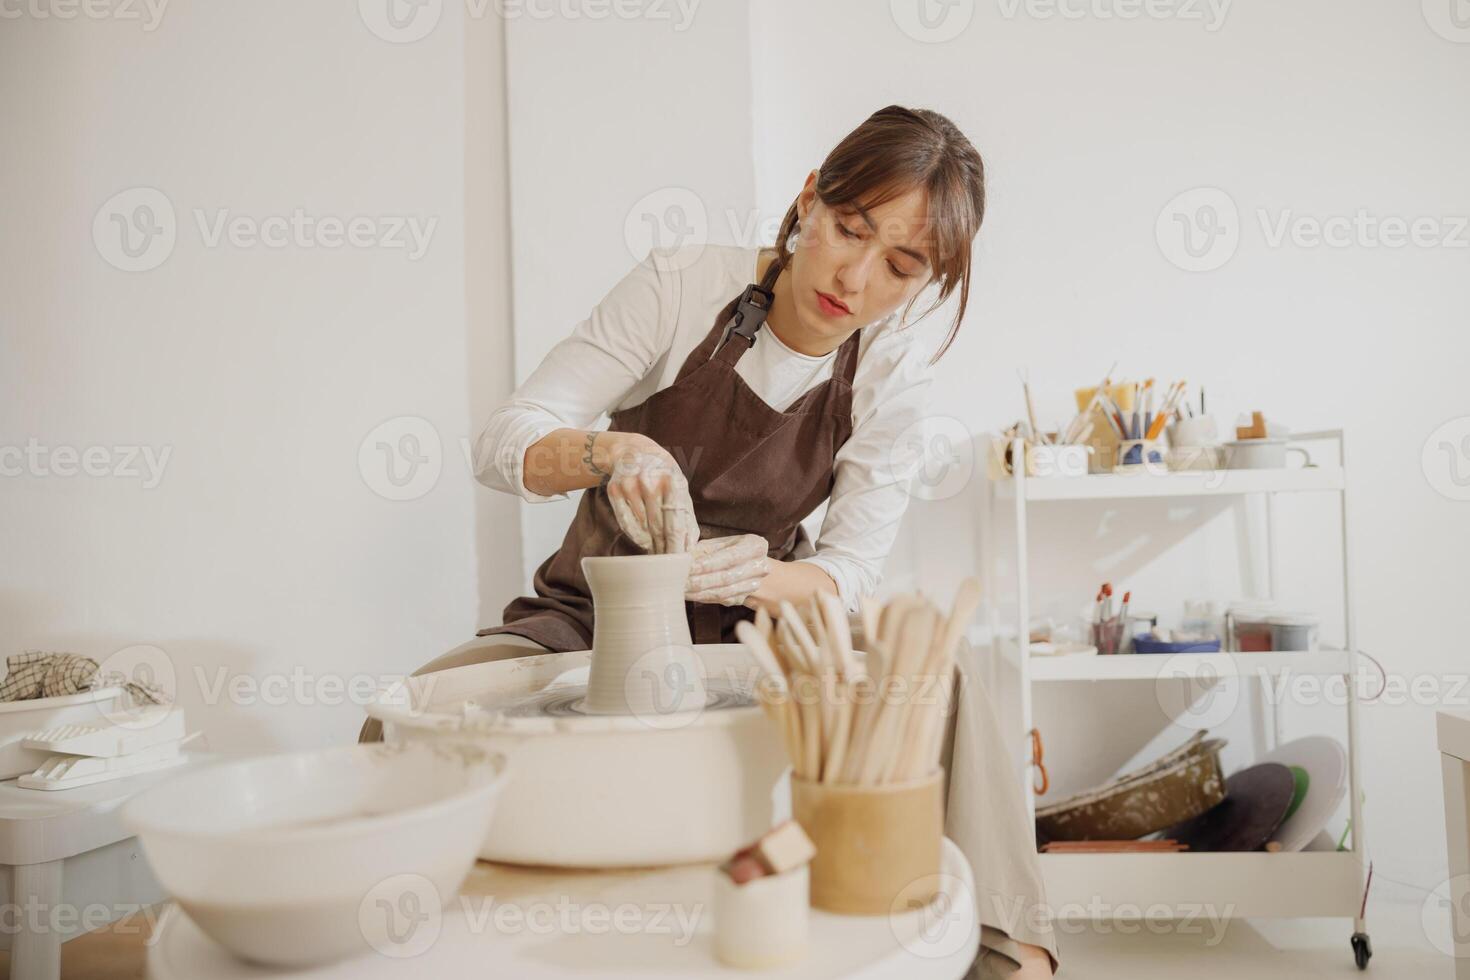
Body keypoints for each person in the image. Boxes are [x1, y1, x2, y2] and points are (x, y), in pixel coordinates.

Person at [360, 105, 1057, 978]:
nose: (856, 274)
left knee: (941, 679)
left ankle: (1012, 954)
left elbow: (848, 575)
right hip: (588, 617)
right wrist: (606, 451)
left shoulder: (889, 373)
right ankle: (400, 943)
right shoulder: (683, 285)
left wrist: (758, 576)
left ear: (922, 284)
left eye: (901, 266)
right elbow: (505, 439)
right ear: (809, 200)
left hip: (760, 633)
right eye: (849, 228)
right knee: (411, 712)